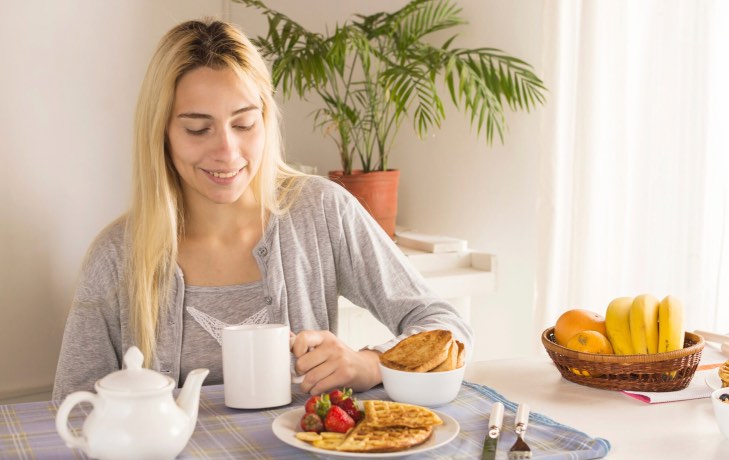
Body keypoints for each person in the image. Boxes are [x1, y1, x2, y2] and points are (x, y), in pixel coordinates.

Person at [52, 18, 472, 401]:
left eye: (243, 123)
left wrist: (369, 364)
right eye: (198, 128)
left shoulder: (320, 211)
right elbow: (71, 408)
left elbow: (445, 326)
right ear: (161, 134)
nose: (227, 151)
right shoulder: (116, 255)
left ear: (266, 120)